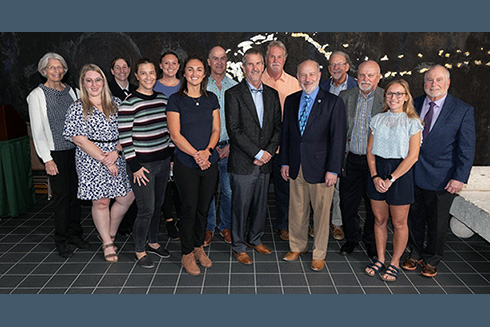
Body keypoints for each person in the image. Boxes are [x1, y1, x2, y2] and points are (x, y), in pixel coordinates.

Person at [402, 65, 476, 278]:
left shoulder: (462, 110)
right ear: (424, 83)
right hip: (413, 173)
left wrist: (459, 177)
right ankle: (415, 253)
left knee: (437, 222)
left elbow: (467, 148)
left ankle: (432, 259)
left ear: (448, 83)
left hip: (443, 178)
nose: (433, 84)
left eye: (438, 80)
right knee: (413, 218)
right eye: (429, 80)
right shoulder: (412, 104)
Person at [63, 63, 134, 263]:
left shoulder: (117, 103)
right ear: (83, 84)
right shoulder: (77, 107)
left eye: (98, 79)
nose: (94, 84)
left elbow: (128, 130)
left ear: (104, 81)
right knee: (101, 201)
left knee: (126, 198)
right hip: (91, 159)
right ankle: (107, 243)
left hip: (116, 155)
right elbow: (79, 139)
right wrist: (104, 159)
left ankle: (109, 233)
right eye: (89, 80)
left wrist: (116, 152)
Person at [280, 60, 346, 271]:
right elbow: (287, 135)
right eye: (303, 75)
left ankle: (319, 253)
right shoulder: (291, 100)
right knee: (297, 210)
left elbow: (338, 139)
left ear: (319, 75)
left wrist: (333, 169)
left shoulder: (333, 102)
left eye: (311, 75)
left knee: (321, 213)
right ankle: (298, 246)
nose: (307, 79)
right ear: (297, 76)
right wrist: (285, 162)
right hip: (296, 165)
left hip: (322, 168)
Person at [27, 52, 88, 258]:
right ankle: (61, 239)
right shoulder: (37, 95)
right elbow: (37, 131)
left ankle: (74, 234)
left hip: (77, 151)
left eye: (60, 67)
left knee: (75, 195)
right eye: (52, 67)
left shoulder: (73, 92)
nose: (57, 71)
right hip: (55, 153)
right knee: (62, 197)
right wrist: (47, 159)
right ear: (44, 70)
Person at [226, 48, 282, 265]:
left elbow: (277, 126)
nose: (255, 68)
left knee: (260, 204)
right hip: (244, 161)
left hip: (265, 161)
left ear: (263, 66)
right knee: (240, 206)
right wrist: (258, 153)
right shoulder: (233, 94)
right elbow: (234, 129)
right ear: (243, 67)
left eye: (258, 63)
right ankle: (238, 246)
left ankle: (255, 239)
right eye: (250, 64)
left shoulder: (272, 94)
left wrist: (267, 152)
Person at [364, 79, 423, 282]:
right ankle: (380, 259)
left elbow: (413, 157)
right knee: (379, 220)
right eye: (390, 93)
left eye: (399, 94)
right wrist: (374, 176)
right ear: (385, 96)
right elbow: (370, 152)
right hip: (378, 172)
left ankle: (395, 262)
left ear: (406, 97)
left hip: (400, 174)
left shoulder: (413, 122)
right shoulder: (377, 119)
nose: (394, 98)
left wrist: (390, 179)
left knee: (399, 223)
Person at [167, 54, 220, 276]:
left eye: (199, 69)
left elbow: (216, 129)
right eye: (190, 69)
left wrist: (207, 152)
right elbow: (175, 135)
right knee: (188, 210)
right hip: (186, 164)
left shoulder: (212, 98)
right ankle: (187, 253)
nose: (195, 73)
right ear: (184, 73)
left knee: (203, 209)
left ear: (204, 73)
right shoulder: (176, 100)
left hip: (210, 163)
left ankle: (199, 247)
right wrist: (196, 155)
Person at [118, 58, 173, 269]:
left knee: (158, 205)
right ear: (137, 76)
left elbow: (167, 130)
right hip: (142, 166)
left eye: (151, 73)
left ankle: (153, 241)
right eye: (144, 73)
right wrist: (134, 166)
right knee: (146, 209)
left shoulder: (162, 99)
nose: (148, 77)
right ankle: (139, 250)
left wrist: (170, 158)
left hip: (162, 161)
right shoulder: (129, 103)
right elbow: (125, 137)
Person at [338, 60, 384, 260]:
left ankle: (371, 241)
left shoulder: (387, 98)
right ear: (357, 77)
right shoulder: (345, 97)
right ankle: (352, 238)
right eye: (362, 75)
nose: (366, 79)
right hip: (351, 159)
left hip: (376, 163)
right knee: (348, 203)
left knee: (374, 204)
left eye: (370, 75)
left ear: (379, 77)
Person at [314, 50, 357, 241]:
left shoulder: (358, 87)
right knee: (321, 186)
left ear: (347, 66)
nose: (336, 68)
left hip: (346, 145)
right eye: (332, 65)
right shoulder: (321, 86)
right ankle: (319, 222)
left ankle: (337, 223)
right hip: (322, 146)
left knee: (339, 187)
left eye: (340, 64)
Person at [261, 40, 301, 241]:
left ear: (285, 59)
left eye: (279, 56)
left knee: (285, 189)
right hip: (259, 147)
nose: (275, 60)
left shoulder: (295, 84)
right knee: (256, 189)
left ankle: (283, 224)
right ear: (265, 59)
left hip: (284, 147)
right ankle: (253, 226)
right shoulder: (256, 80)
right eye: (271, 56)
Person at [203, 45, 237, 247]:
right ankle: (208, 227)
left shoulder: (234, 86)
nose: (219, 62)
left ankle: (225, 226)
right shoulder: (200, 86)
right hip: (207, 149)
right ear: (208, 62)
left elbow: (241, 120)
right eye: (215, 58)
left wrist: (232, 145)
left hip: (229, 147)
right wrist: (207, 148)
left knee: (228, 191)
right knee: (207, 191)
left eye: (222, 58)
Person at [108, 56, 138, 237]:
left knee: (133, 188)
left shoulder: (136, 89)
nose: (121, 70)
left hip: (135, 145)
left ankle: (132, 222)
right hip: (115, 148)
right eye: (117, 67)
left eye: (124, 67)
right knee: (117, 189)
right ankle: (116, 228)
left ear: (129, 69)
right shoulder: (105, 91)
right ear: (112, 71)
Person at [154, 51, 182, 240]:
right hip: (159, 142)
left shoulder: (185, 86)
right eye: (166, 63)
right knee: (164, 186)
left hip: (181, 142)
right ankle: (169, 220)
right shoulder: (153, 86)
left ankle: (180, 217)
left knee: (180, 184)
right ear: (161, 66)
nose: (170, 66)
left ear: (179, 66)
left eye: (174, 63)